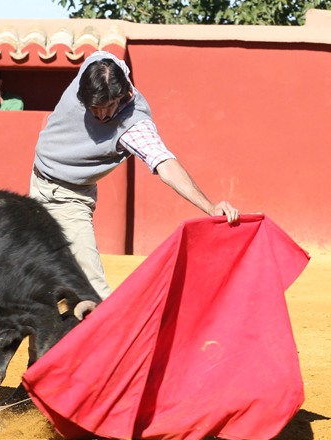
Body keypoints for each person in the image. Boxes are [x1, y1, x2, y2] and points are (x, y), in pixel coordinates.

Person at [31, 51, 240, 299]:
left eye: (107, 107)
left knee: (90, 289)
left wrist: (209, 206)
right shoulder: (95, 64)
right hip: (37, 179)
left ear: (122, 95)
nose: (100, 116)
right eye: (93, 108)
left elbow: (164, 163)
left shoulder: (134, 125)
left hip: (69, 197)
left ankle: (113, 337)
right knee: (38, 281)